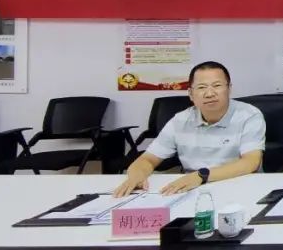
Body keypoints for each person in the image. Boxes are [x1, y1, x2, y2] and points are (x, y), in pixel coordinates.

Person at [112, 61, 264, 196]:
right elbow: (148, 159)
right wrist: (136, 175)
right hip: (193, 190)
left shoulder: (249, 115)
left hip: (240, 186)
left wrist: (201, 175)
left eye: (217, 86)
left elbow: (251, 162)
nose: (210, 93)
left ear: (229, 89)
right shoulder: (180, 120)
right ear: (191, 94)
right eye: (201, 87)